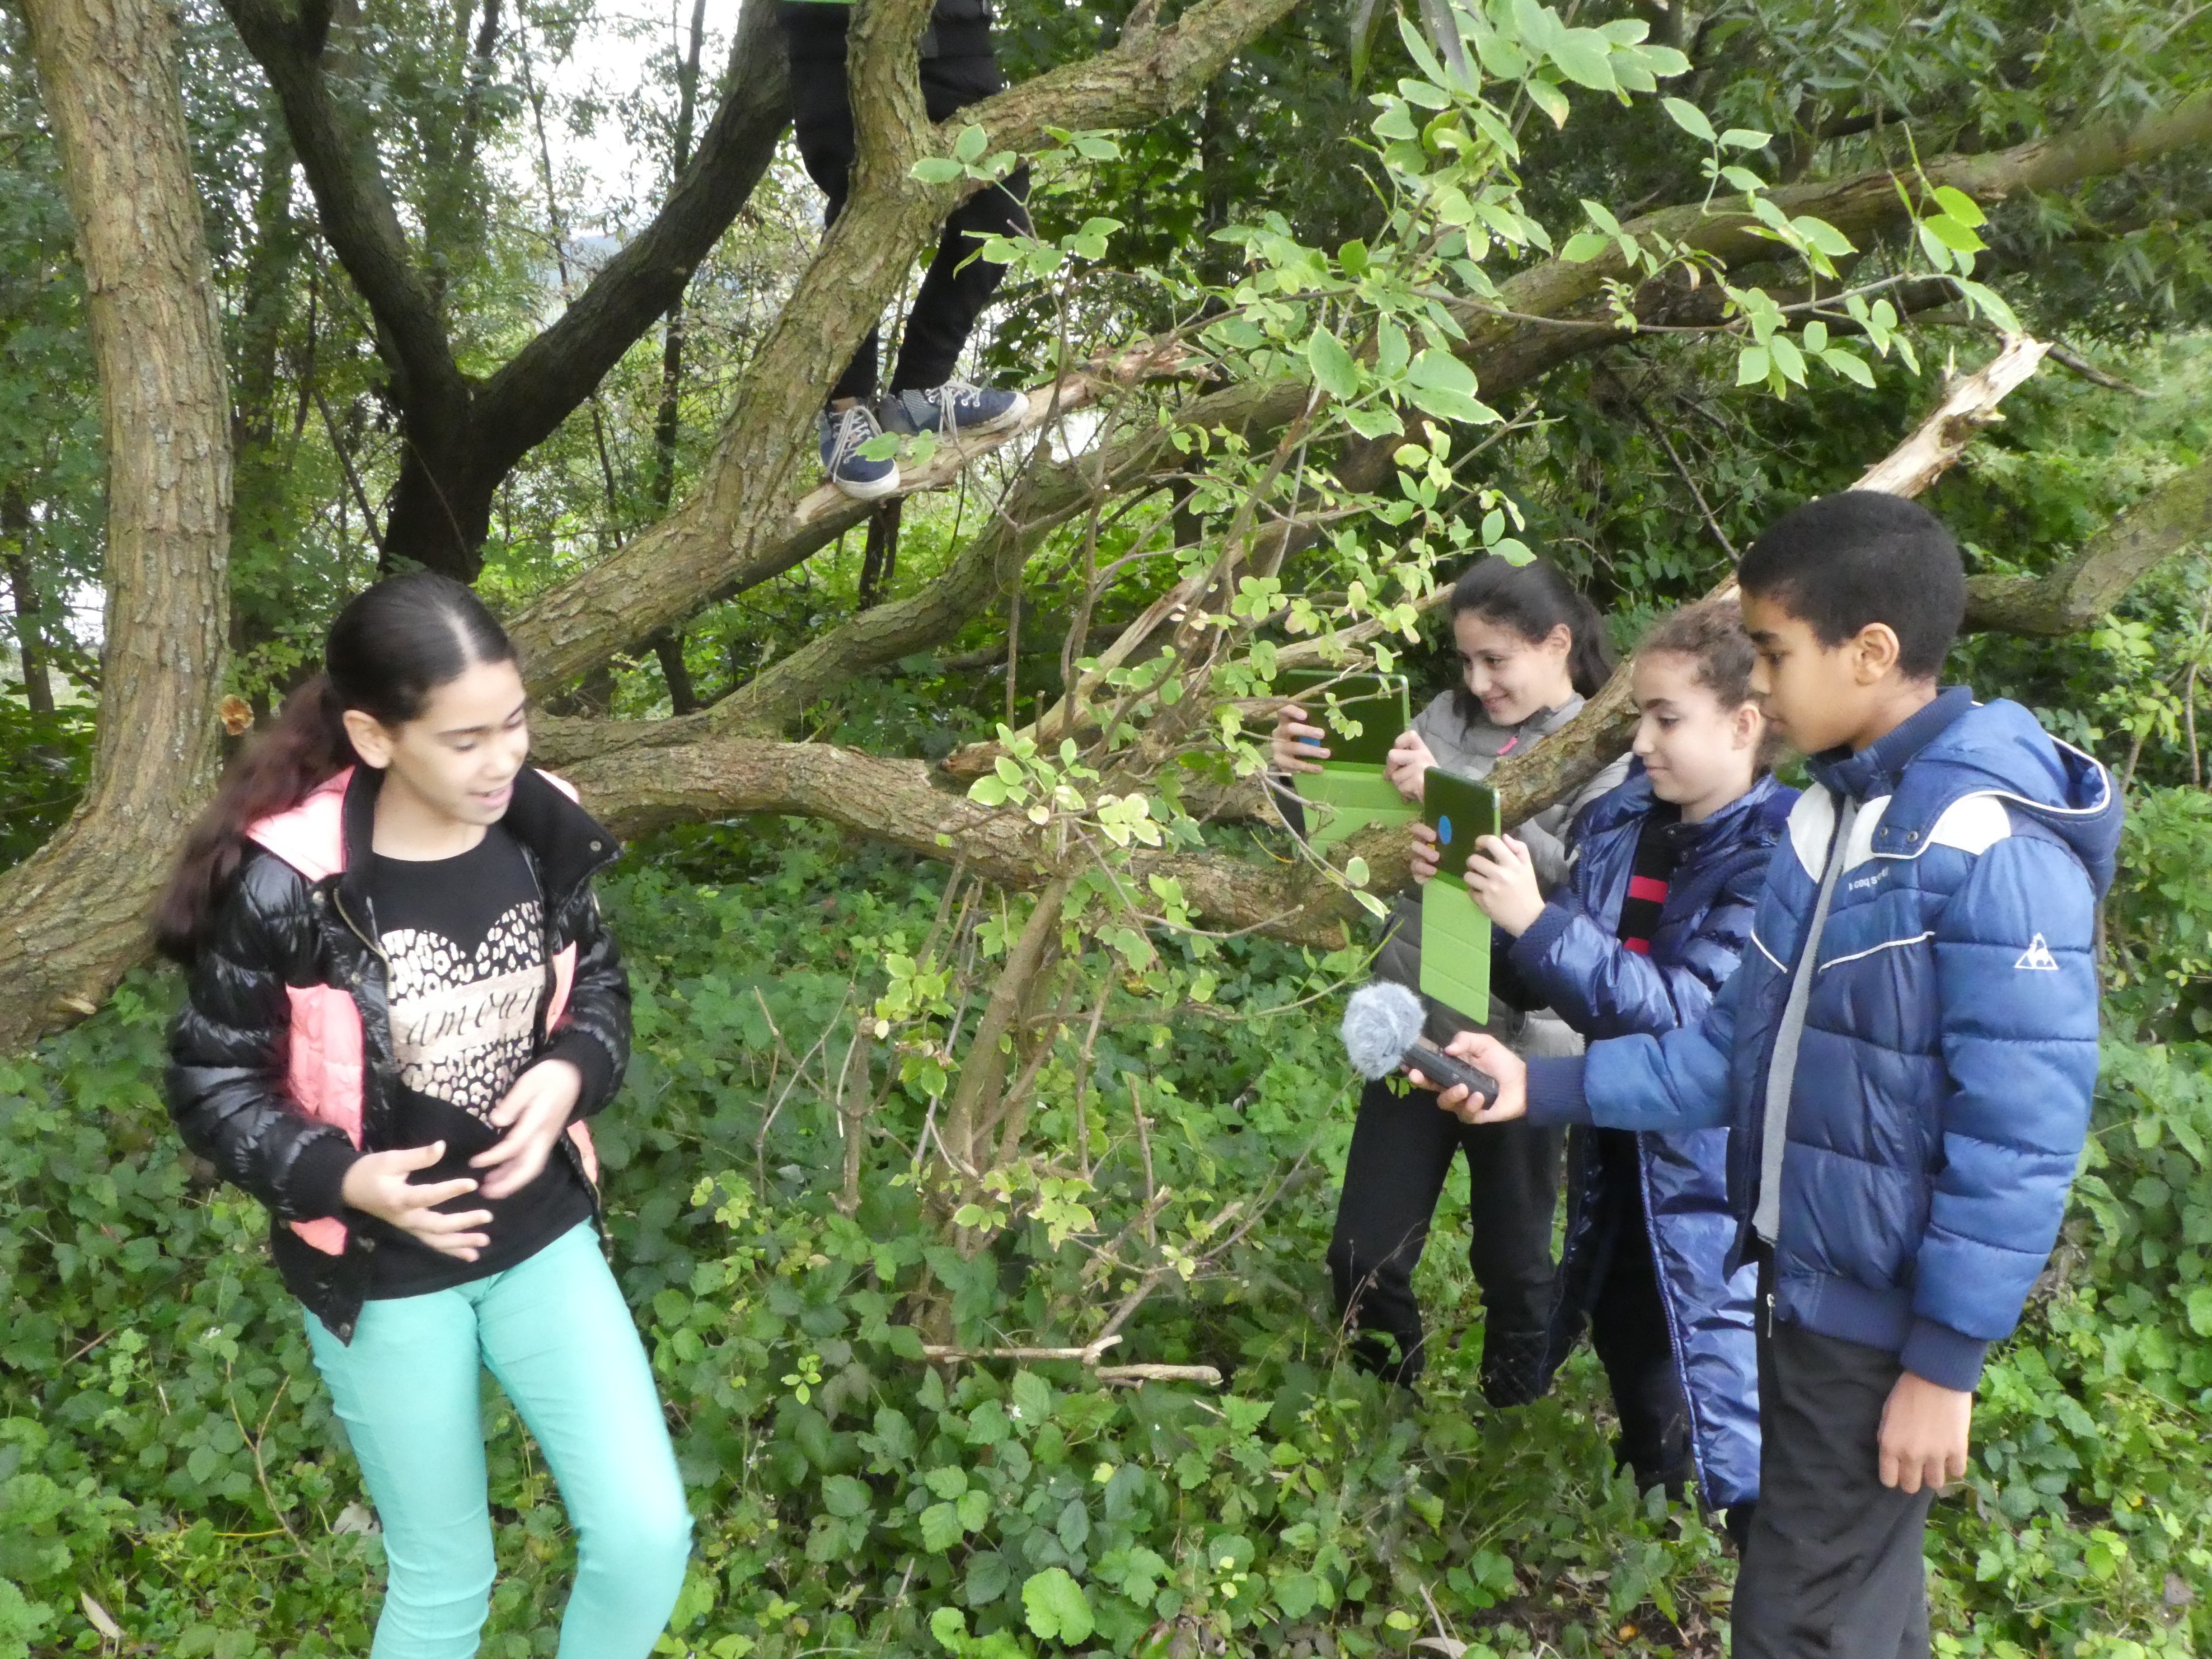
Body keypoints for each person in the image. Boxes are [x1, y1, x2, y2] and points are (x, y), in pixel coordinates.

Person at [1429, 493, 2119, 1658]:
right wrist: (1536, 1085)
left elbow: (2021, 1130)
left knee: (1796, 1620)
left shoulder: (1987, 845)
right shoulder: (1828, 819)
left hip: (1881, 1324)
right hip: (1799, 1286)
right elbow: (1720, 1057)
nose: (1756, 681)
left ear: (1871, 653)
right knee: (1858, 1615)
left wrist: (1943, 1361)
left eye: (1771, 653)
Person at [158, 573, 692, 1659]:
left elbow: (599, 989)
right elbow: (212, 1078)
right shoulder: (293, 883)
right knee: (445, 1580)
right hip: (383, 1273)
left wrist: (574, 1068)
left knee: (646, 1535)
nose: (501, 760)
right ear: (374, 733)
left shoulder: (542, 826)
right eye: (464, 739)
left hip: (542, 1235)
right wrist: (339, 1176)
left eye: (516, 722)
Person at [1438, 598, 1792, 1542]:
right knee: (1633, 1316)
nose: (1640, 742)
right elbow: (1577, 983)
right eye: (1639, 715)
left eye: (1666, 718)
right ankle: (1653, 1509)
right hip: (1617, 1132)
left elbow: (1686, 1020)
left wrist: (1539, 924)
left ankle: (1740, 1541)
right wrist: (1489, 908)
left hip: (1716, 1166)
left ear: (1744, 724)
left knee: (1711, 1346)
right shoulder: (1627, 817)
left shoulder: (1780, 856)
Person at [1275, 554, 1630, 1405]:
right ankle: (1380, 1411)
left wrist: (1453, 794)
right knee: (1363, 1253)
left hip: (1525, 1042)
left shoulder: (1607, 749)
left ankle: (1510, 1419)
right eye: (1465, 660)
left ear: (1556, 643)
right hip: (1418, 1023)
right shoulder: (1440, 717)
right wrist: (1293, 777)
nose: (1476, 680)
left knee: (1513, 1262)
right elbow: (1343, 851)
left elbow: (1586, 891)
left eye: (1496, 660)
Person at [781, 0, 1032, 499]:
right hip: (836, 33)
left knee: (1003, 197)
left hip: (956, 28)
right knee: (864, 196)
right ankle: (845, 410)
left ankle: (920, 391)